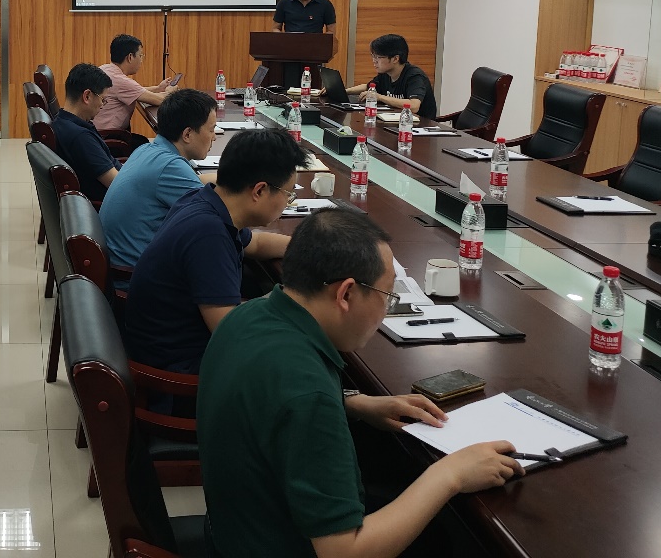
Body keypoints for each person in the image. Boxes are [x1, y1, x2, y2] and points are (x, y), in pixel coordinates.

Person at [198, 209, 522, 558]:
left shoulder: (247, 316)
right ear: (346, 294)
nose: (386, 309)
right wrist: (450, 474)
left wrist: (352, 402)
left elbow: (268, 399)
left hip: (233, 529)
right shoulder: (308, 394)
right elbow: (343, 552)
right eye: (387, 295)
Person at [124, 127, 307, 375]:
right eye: (288, 194)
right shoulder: (208, 235)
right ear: (259, 191)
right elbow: (230, 332)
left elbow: (256, 243)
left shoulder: (204, 201)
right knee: (299, 352)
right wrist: (292, 297)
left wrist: (308, 250)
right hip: (177, 370)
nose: (288, 201)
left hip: (174, 343)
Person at [99, 89, 219, 276]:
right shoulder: (171, 167)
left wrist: (234, 177)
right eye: (211, 130)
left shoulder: (148, 150)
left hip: (120, 265)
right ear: (187, 134)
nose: (214, 137)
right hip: (136, 277)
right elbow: (217, 221)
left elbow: (193, 181)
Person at [50, 63, 120, 204]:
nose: (102, 105)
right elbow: (118, 185)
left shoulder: (63, 122)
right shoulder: (80, 137)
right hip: (110, 205)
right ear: (87, 96)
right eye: (103, 100)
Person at [95, 34, 177, 133]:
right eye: (140, 56)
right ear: (130, 57)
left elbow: (133, 91)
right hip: (108, 136)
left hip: (95, 132)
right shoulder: (121, 81)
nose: (141, 60)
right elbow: (159, 100)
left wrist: (158, 88)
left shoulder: (105, 69)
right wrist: (170, 91)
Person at [346, 33, 438, 119]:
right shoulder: (386, 74)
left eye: (378, 57)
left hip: (416, 126)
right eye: (373, 56)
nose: (374, 61)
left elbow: (414, 106)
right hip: (393, 122)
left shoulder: (414, 76)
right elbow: (368, 87)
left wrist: (379, 97)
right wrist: (345, 91)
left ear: (395, 59)